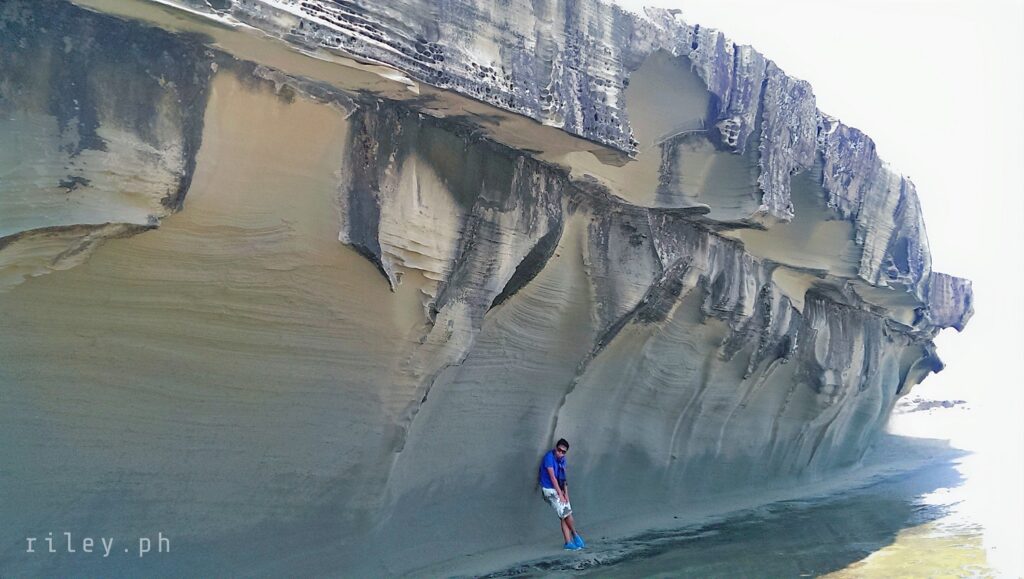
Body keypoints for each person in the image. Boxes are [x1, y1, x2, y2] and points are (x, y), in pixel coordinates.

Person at [538, 438, 585, 550]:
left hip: (559, 489)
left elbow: (563, 478)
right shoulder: (549, 458)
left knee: (564, 515)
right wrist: (560, 494)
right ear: (556, 448)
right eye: (559, 450)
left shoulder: (562, 460)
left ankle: (568, 543)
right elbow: (552, 477)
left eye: (563, 452)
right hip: (549, 490)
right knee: (565, 513)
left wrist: (566, 494)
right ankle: (575, 534)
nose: (560, 453)